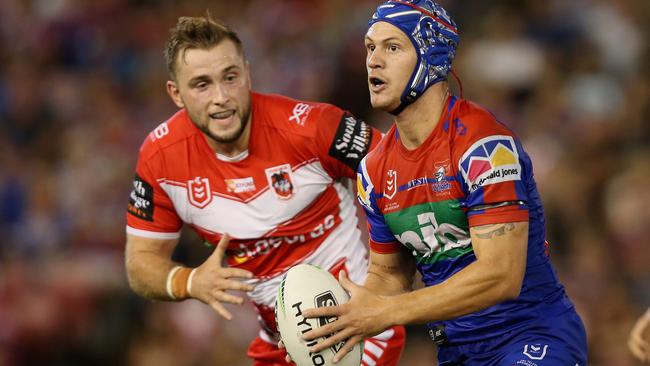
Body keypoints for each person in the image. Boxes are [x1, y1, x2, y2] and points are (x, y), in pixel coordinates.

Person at [302, 1, 588, 365]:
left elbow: (501, 275)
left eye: (392, 47)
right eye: (370, 47)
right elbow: (389, 276)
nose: (373, 60)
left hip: (531, 337)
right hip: (457, 351)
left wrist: (386, 313)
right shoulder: (373, 170)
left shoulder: (484, 147)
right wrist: (344, 314)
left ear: (430, 57)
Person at [123, 14, 406, 366]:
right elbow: (140, 264)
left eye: (230, 77)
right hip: (278, 344)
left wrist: (388, 283)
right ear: (176, 94)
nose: (221, 97)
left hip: (359, 327)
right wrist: (190, 280)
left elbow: (405, 179)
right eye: (201, 85)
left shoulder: (313, 128)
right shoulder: (160, 159)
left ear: (247, 73)